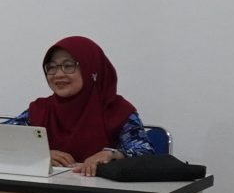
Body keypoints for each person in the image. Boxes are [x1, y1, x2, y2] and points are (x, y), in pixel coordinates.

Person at [17, 37, 164, 175]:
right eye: (51, 67)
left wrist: (111, 154)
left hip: (103, 191)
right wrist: (40, 154)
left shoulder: (116, 110)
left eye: (68, 66)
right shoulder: (41, 109)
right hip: (46, 190)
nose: (58, 74)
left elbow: (145, 152)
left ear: (91, 70)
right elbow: (4, 141)